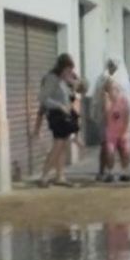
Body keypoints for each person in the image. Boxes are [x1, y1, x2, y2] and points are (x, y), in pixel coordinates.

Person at [38, 54, 80, 188]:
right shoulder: (52, 79)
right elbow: (43, 98)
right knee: (58, 145)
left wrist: (73, 86)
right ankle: (44, 176)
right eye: (68, 69)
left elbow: (70, 96)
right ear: (61, 67)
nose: (69, 72)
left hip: (65, 115)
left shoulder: (64, 80)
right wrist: (60, 106)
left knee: (62, 146)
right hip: (56, 116)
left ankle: (60, 176)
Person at [100, 76, 130, 182]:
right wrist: (107, 101)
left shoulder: (124, 100)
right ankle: (110, 172)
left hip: (124, 130)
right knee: (110, 152)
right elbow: (106, 116)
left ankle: (125, 171)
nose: (114, 91)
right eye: (111, 89)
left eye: (115, 88)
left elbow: (127, 115)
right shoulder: (107, 101)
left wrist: (125, 129)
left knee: (126, 151)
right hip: (111, 132)